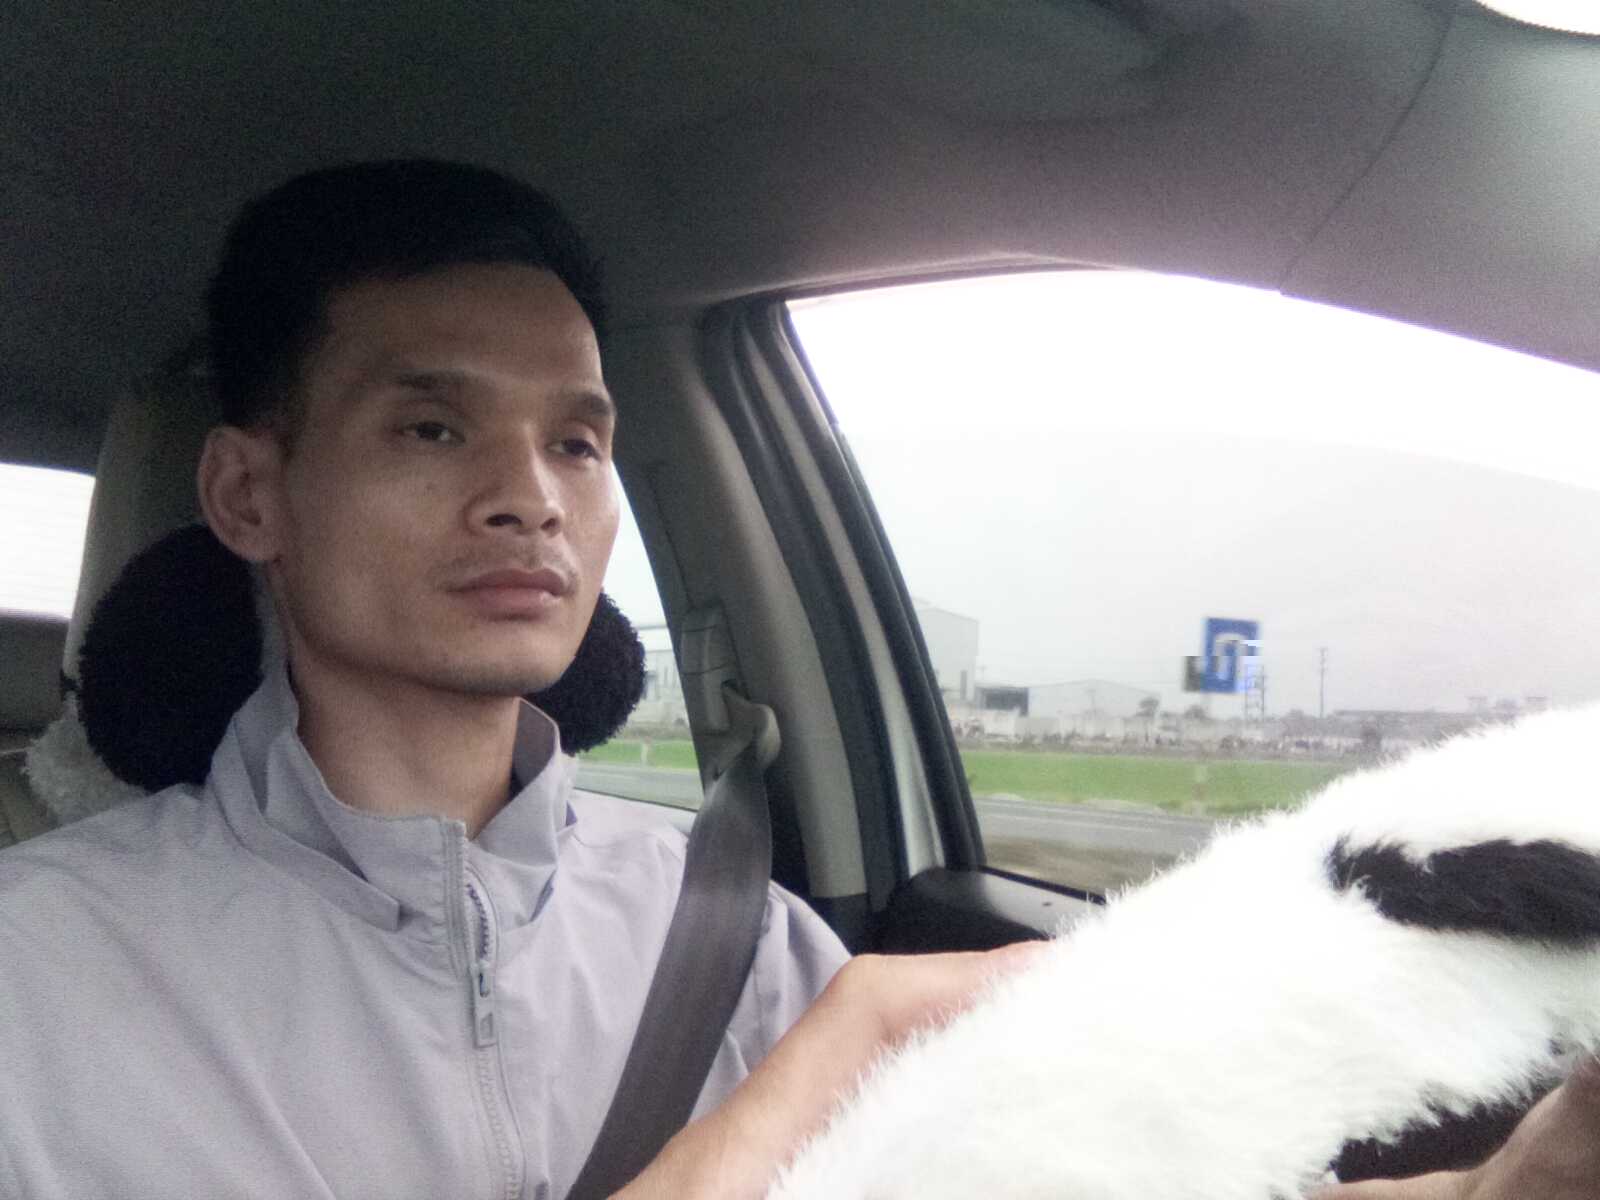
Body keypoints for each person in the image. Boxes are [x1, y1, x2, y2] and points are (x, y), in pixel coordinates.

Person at [0, 158, 1595, 1200]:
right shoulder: (43, 976)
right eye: (433, 426)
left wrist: (1493, 1185)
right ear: (248, 495)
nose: (530, 497)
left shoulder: (735, 934)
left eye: (577, 442)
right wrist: (802, 1084)